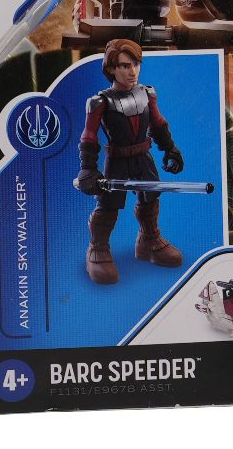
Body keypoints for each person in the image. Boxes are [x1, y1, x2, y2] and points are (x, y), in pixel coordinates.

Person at [75, 38, 184, 284]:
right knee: (109, 205)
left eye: (136, 64)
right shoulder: (100, 102)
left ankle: (149, 240)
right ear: (111, 69)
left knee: (151, 197)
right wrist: (88, 169)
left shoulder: (147, 94)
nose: (132, 71)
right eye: (125, 66)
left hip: (143, 157)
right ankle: (98, 249)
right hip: (118, 160)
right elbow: (89, 135)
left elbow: (158, 123)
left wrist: (170, 149)